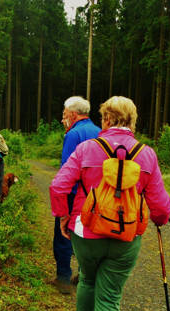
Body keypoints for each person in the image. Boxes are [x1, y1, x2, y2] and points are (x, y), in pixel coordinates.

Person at [49, 96, 170, 311]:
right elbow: (160, 205)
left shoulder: (86, 149)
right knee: (109, 297)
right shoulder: (147, 155)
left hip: (85, 232)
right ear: (133, 121)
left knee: (87, 279)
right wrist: (159, 219)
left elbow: (57, 186)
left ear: (105, 119)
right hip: (125, 236)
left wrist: (64, 215)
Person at [52, 96, 101, 294]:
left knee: (63, 235)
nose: (63, 118)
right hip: (96, 195)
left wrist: (64, 202)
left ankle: (63, 278)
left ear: (73, 114)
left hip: (74, 194)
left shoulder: (73, 134)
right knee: (87, 234)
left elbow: (67, 169)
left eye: (64, 114)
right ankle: (83, 274)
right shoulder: (100, 131)